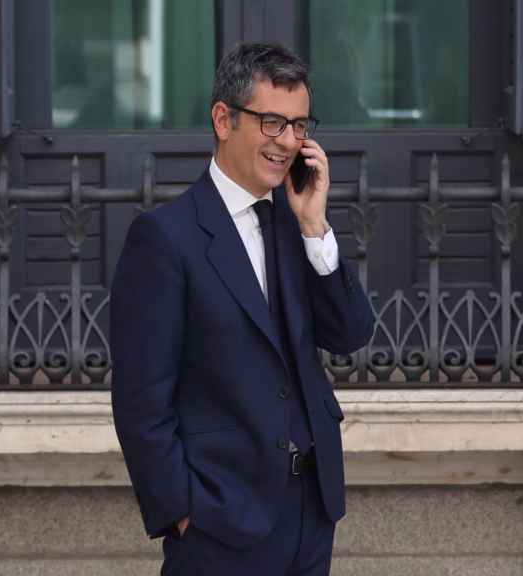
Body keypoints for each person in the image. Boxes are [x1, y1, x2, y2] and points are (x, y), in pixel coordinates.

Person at [110, 42, 375, 576]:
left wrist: (315, 227)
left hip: (311, 514)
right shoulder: (165, 238)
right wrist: (182, 512)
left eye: (300, 125)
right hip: (219, 524)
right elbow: (141, 401)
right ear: (224, 119)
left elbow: (350, 333)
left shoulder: (295, 225)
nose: (288, 142)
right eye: (273, 122)